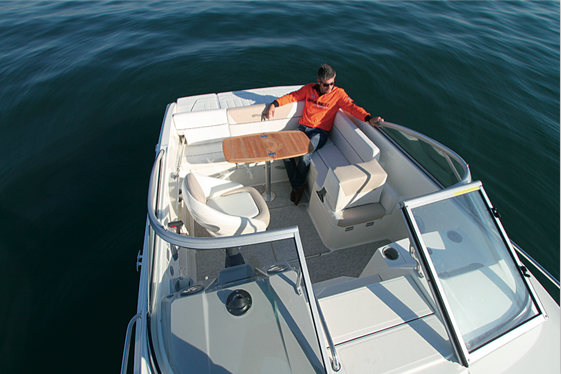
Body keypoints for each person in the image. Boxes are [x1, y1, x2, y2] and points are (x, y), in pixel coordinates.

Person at [265, 64, 384, 205]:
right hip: (302, 128)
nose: (330, 88)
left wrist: (368, 118)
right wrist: (274, 104)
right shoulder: (309, 89)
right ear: (319, 82)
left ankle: (297, 187)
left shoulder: (338, 94)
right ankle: (298, 185)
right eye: (326, 85)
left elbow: (352, 107)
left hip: (320, 132)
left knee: (305, 154)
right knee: (284, 151)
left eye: (332, 83)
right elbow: (293, 97)